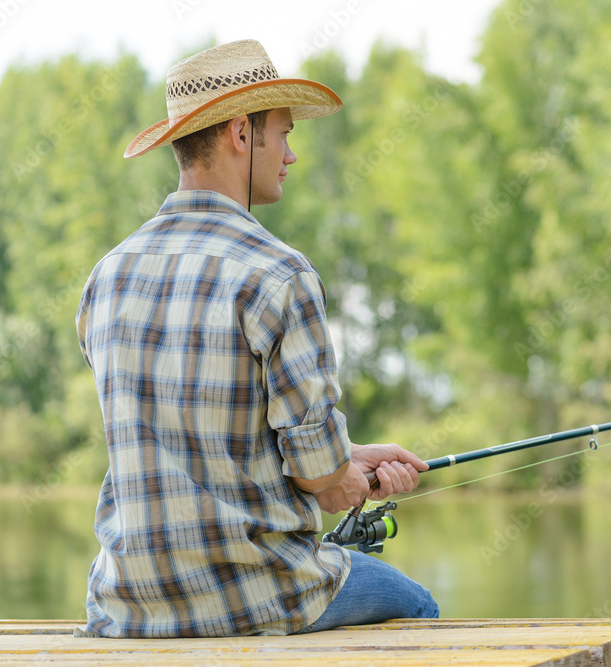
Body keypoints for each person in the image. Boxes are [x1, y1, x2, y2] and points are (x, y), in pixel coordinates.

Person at [74, 39, 438, 638]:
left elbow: (199, 438)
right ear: (242, 134)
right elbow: (318, 478)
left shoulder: (106, 276)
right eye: (284, 133)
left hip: (125, 604)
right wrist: (342, 477)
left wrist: (344, 463)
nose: (291, 155)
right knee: (419, 607)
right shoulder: (278, 273)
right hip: (260, 593)